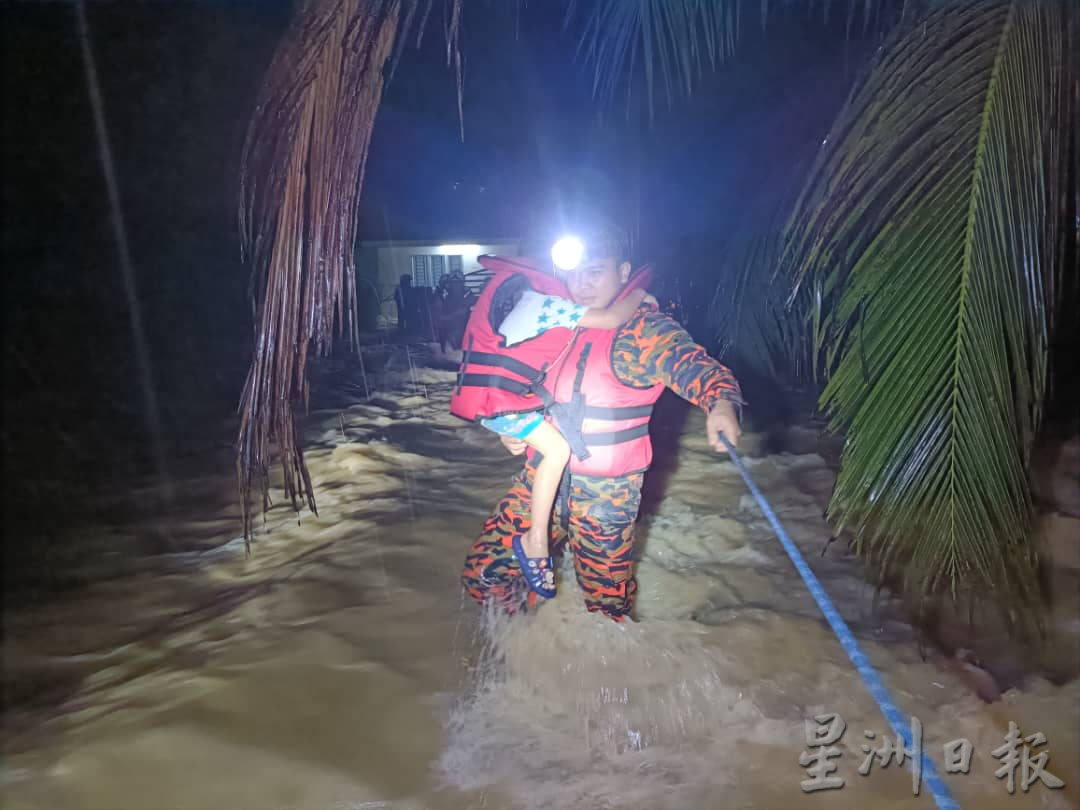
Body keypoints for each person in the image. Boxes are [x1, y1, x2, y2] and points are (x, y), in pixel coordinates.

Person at [460, 225, 744, 622]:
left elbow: (695, 366)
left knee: (605, 614)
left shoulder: (643, 329)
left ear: (624, 271)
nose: (582, 283)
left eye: (595, 270)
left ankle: (612, 679)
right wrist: (516, 433)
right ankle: (527, 641)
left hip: (605, 499)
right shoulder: (559, 320)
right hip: (539, 482)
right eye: (575, 273)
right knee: (483, 576)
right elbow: (522, 385)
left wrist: (721, 403)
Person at [474, 280, 656, 599]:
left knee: (550, 447)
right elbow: (612, 318)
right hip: (500, 400)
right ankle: (536, 542)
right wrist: (640, 295)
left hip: (496, 399)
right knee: (557, 450)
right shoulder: (544, 305)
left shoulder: (530, 305)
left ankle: (526, 599)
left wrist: (511, 431)